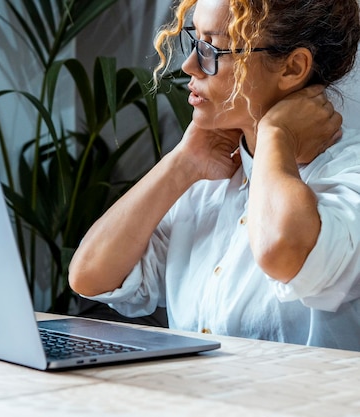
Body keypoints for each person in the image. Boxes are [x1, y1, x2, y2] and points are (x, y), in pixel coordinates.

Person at [68, 0, 360, 351]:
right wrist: (182, 163)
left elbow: (282, 252)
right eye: (195, 41)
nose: (190, 65)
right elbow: (90, 276)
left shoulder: (349, 175)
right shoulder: (207, 178)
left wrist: (276, 133)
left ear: (292, 68)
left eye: (213, 48)